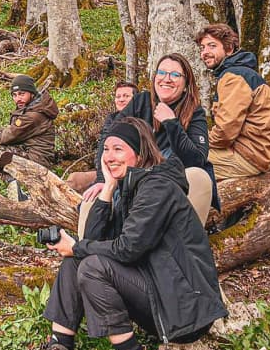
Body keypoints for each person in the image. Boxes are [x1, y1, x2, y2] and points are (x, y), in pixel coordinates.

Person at [6, 118, 227, 350]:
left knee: (90, 264)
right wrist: (108, 189)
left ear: (140, 152)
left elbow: (127, 249)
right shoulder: (129, 187)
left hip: (185, 309)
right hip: (156, 291)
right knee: (78, 261)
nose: (109, 156)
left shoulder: (157, 187)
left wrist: (78, 247)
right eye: (106, 149)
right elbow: (95, 240)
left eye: (119, 149)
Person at [79, 55, 213, 227]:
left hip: (172, 184)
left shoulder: (194, 112)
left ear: (186, 83)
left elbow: (197, 159)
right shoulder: (141, 102)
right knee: (91, 201)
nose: (167, 79)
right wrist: (101, 180)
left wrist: (172, 124)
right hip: (134, 179)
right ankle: (86, 249)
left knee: (197, 176)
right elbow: (109, 138)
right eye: (162, 72)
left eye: (175, 75)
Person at [196, 23, 270, 181]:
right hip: (251, 151)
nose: (205, 52)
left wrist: (199, 140)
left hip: (247, 156)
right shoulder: (238, 73)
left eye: (212, 46)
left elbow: (225, 132)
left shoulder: (234, 77)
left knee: (179, 161)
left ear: (229, 49)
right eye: (202, 48)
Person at [65, 80, 137, 193]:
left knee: (90, 200)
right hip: (104, 172)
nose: (121, 99)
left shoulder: (139, 122)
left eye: (126, 96)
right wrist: (101, 177)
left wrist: (103, 180)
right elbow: (102, 150)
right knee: (74, 180)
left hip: (125, 175)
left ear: (136, 99)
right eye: (118, 96)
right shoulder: (111, 120)